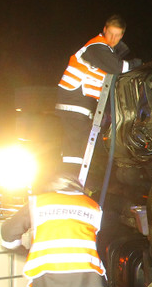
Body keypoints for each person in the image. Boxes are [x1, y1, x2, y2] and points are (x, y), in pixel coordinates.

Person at [55, 14, 139, 177]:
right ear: (104, 30)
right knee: (76, 145)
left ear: (122, 35)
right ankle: (70, 180)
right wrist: (140, 63)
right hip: (74, 101)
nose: (113, 38)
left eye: (117, 35)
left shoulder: (106, 51)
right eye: (111, 33)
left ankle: (71, 179)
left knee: (79, 144)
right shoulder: (96, 46)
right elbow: (117, 67)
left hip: (81, 104)